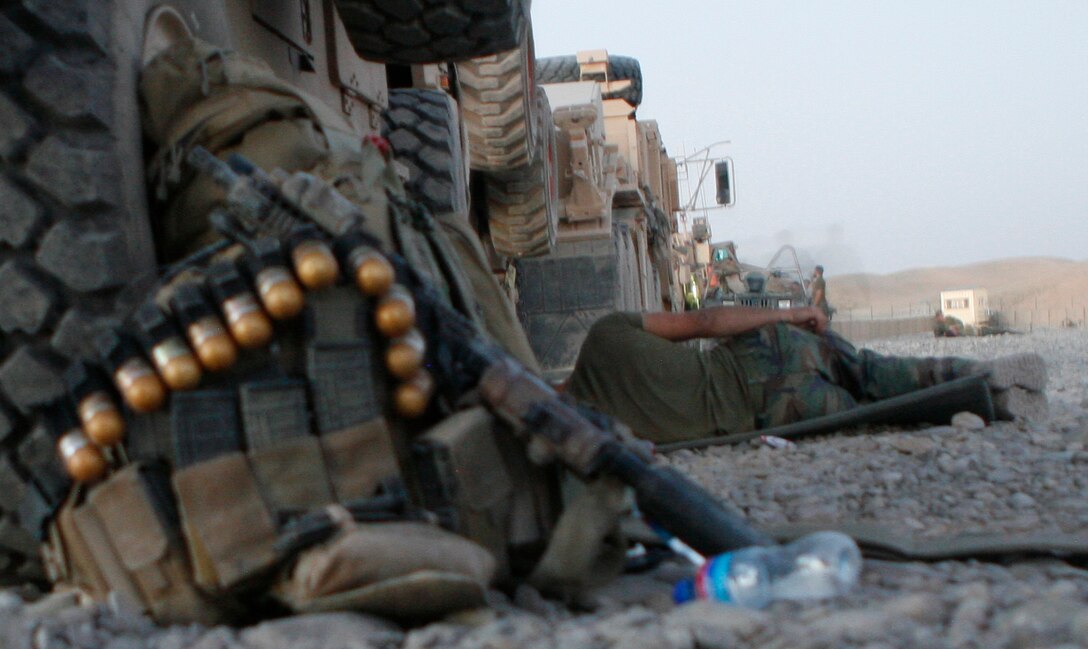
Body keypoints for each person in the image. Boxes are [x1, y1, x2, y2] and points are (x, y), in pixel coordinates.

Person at [566, 306, 1048, 444]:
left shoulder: (597, 433)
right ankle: (987, 372)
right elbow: (706, 323)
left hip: (775, 410)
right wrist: (789, 317)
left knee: (880, 414)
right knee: (872, 370)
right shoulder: (605, 335)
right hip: (760, 351)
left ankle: (993, 403)